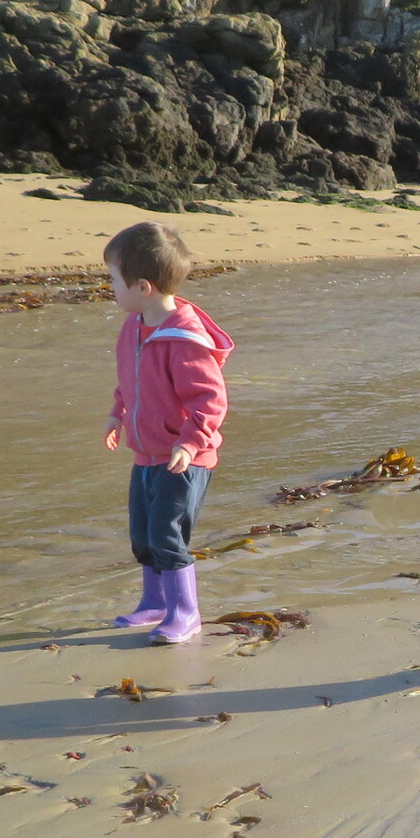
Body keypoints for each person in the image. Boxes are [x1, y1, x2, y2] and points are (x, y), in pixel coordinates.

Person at [102, 221, 233, 646]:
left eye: (113, 280)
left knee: (167, 533)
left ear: (143, 287)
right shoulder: (135, 326)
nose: (110, 288)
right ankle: (155, 602)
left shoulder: (184, 339)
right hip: (146, 454)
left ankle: (185, 612)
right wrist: (118, 414)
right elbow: (130, 379)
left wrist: (190, 442)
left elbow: (210, 400)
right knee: (143, 535)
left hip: (184, 458)